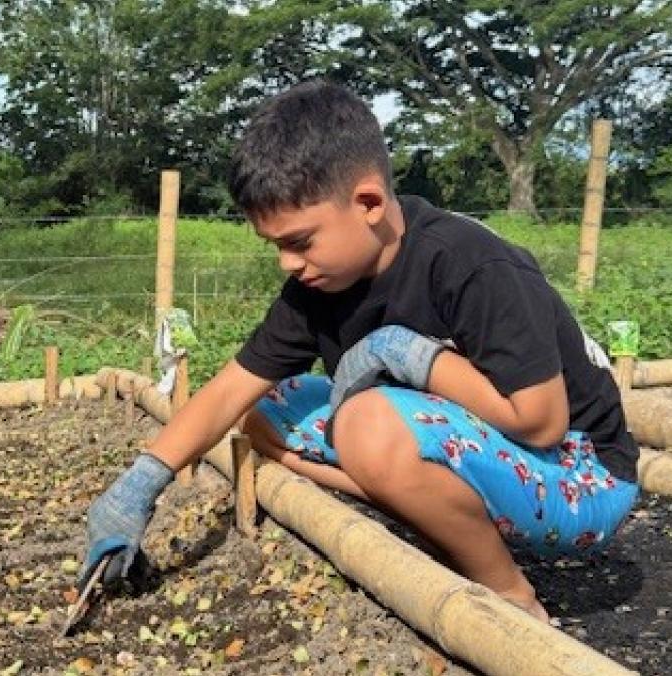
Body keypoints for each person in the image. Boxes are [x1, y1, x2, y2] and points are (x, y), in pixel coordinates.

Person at [80, 80, 639, 622]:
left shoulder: (469, 264)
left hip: (577, 472)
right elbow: (229, 390)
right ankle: (412, 495)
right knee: (269, 407)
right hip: (469, 443)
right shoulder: (317, 287)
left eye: (298, 241)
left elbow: (540, 423)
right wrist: (136, 488)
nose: (287, 263)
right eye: (275, 246)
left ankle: (509, 592)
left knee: (367, 422)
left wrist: (413, 356)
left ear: (368, 201)